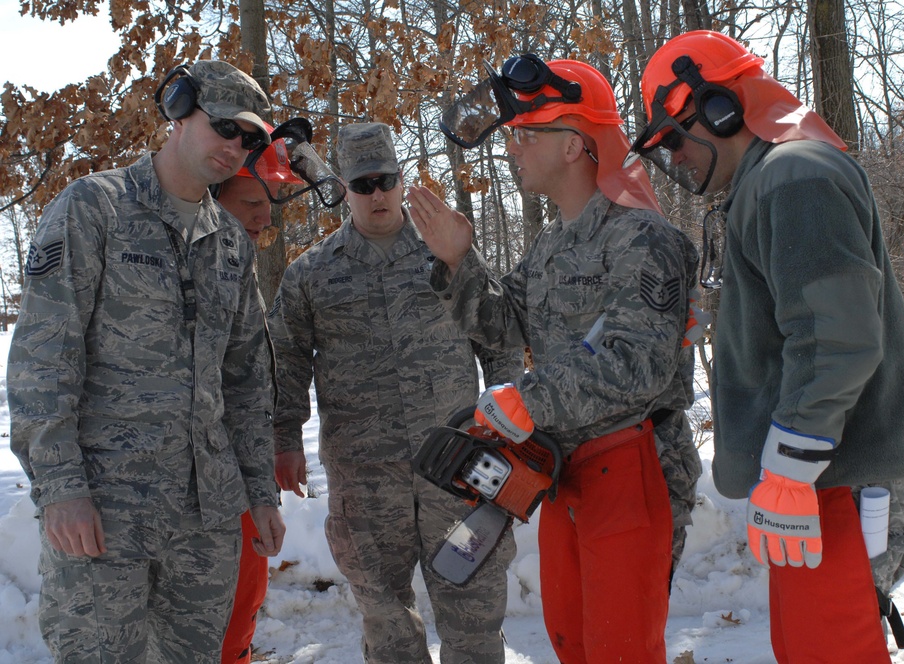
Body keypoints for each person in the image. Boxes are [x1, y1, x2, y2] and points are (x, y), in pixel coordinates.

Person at [630, 30, 904, 662]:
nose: (675, 159)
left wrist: (791, 465)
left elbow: (839, 335)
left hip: (839, 474)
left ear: (719, 108)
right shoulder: (768, 180)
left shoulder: (793, 175)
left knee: (832, 645)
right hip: (827, 471)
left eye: (673, 136)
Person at [408, 56, 702, 663]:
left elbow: (639, 365)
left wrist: (528, 399)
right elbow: (500, 322)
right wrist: (460, 262)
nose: (513, 148)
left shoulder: (643, 239)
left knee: (622, 648)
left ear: (573, 145)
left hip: (631, 465)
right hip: (567, 472)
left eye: (526, 134)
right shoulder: (550, 243)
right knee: (574, 642)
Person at [7, 60, 286, 663]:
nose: (237, 147)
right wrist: (59, 488)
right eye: (226, 127)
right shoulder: (94, 209)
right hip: (105, 512)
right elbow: (43, 357)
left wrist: (260, 490)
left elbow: (245, 382)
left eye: (253, 139)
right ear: (180, 113)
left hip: (205, 520)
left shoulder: (231, 242)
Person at [268, 122, 521, 664]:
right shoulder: (312, 275)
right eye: (363, 184)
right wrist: (284, 435)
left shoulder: (448, 252)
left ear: (402, 181)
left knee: (474, 620)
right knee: (388, 630)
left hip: (456, 473)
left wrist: (507, 421)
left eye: (385, 180)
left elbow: (499, 333)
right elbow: (285, 359)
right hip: (366, 485)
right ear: (346, 188)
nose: (376, 193)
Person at [214, 117, 345, 664]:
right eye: (251, 204)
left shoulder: (236, 270)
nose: (266, 218)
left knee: (240, 611)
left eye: (270, 203)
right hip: (181, 493)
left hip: (240, 478)